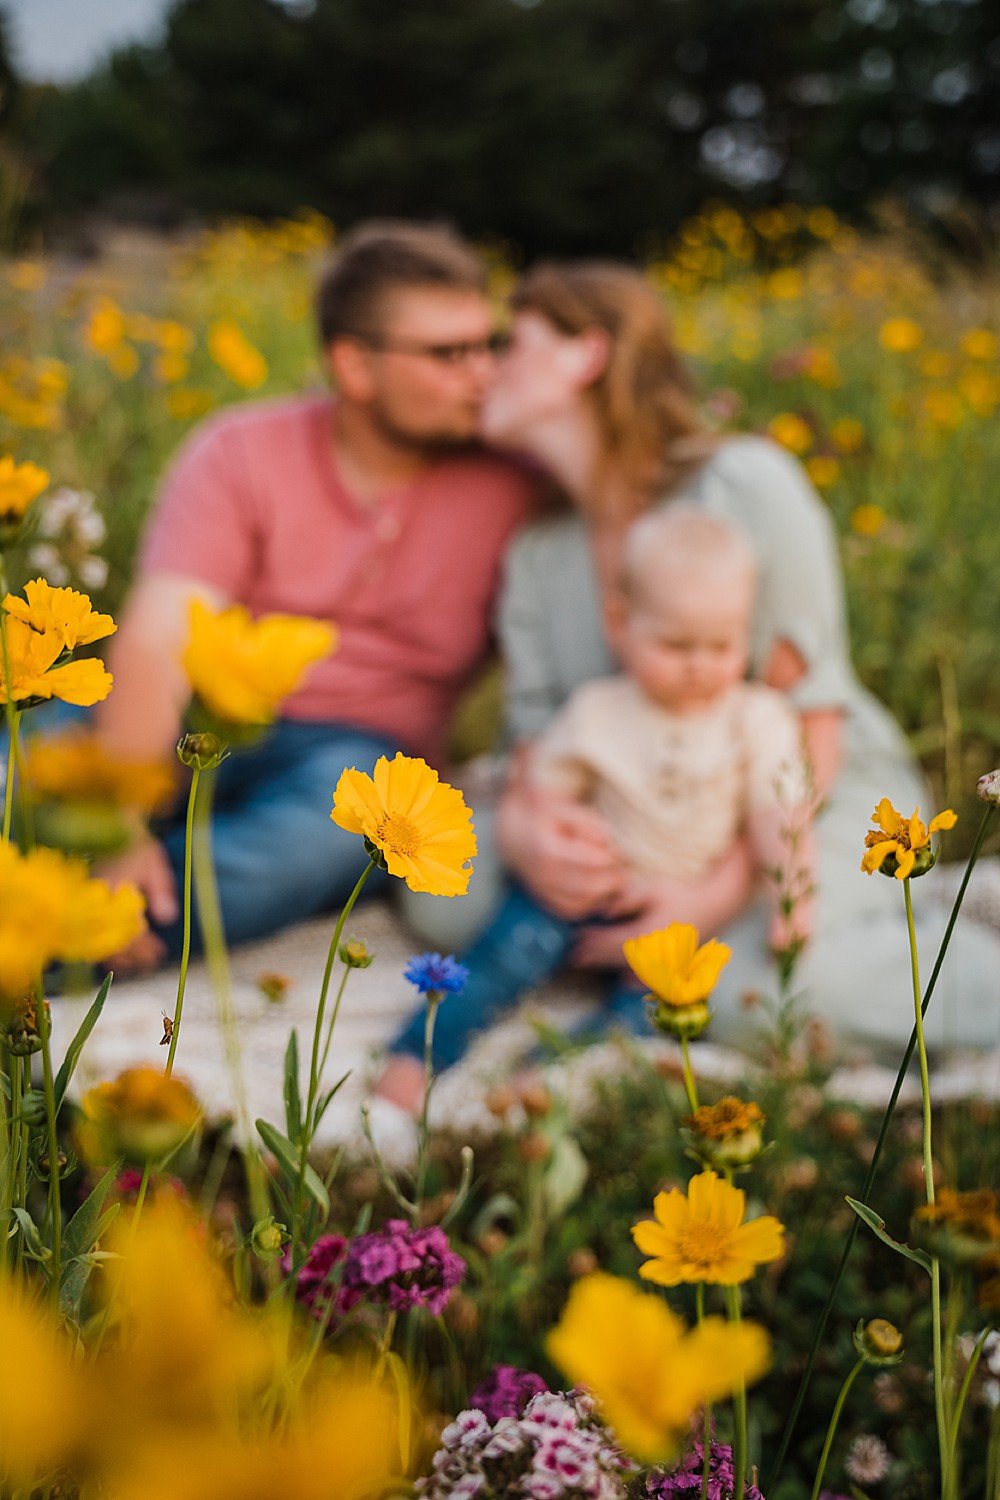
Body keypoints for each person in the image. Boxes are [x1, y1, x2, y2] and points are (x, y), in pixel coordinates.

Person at [396, 260, 1000, 1062]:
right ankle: (662, 943)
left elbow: (809, 723)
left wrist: (706, 899)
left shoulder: (743, 483)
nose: (484, 368)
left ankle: (920, 949)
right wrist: (534, 833)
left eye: (509, 342)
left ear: (585, 354)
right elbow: (535, 742)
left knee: (759, 996)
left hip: (808, 798)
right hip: (641, 800)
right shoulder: (541, 551)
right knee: (438, 894)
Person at [94, 221, 536, 967]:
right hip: (194, 712)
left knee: (309, 845)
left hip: (352, 757)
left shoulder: (520, 481)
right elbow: (162, 633)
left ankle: (72, 933)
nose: (485, 372)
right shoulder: (242, 448)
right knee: (24, 776)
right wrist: (113, 821)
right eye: (449, 354)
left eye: (490, 345)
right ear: (354, 366)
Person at [379, 504, 813, 1095]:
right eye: (676, 644)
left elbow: (776, 815)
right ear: (620, 622)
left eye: (721, 645)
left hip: (680, 913)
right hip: (585, 889)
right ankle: (417, 1055)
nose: (699, 666)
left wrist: (792, 897)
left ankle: (545, 1077)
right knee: (501, 955)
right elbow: (542, 791)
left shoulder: (757, 719)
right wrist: (556, 826)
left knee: (652, 1016)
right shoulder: (599, 710)